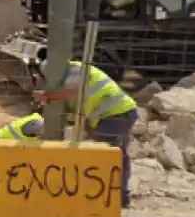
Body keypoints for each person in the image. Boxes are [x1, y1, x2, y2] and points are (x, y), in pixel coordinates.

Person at [38, 61, 139, 205]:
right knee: (117, 157)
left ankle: (109, 197)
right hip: (120, 113)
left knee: (107, 159)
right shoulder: (76, 71)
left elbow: (74, 93)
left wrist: (48, 96)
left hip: (115, 114)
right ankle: (119, 196)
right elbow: (83, 103)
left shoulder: (74, 71)